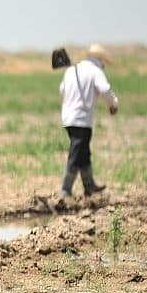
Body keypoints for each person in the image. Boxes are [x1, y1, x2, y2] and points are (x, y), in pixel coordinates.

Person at [59, 44, 119, 198]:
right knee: (76, 153)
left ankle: (89, 185)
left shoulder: (72, 70)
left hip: (68, 118)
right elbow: (105, 89)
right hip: (82, 120)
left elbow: (62, 90)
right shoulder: (95, 71)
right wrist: (113, 105)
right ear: (99, 59)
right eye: (103, 62)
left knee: (83, 152)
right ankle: (65, 190)